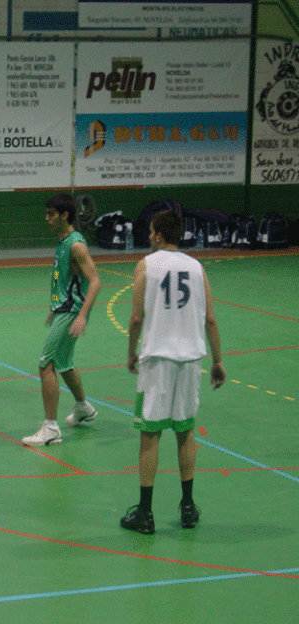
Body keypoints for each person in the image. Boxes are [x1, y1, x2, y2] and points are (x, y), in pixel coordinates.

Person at [121, 210, 225, 535]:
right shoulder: (197, 267)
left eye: (152, 231)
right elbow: (210, 318)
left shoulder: (146, 265)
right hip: (191, 359)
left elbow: (136, 317)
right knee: (185, 432)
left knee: (150, 435)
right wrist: (218, 360)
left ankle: (146, 514)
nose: (149, 235)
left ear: (158, 235)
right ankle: (189, 508)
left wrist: (131, 352)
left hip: (158, 359)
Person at [22, 193, 101, 447]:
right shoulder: (63, 242)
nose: (46, 219)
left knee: (46, 365)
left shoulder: (76, 245)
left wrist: (81, 316)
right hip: (63, 309)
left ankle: (51, 428)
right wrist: (54, 307)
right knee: (64, 364)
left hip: (71, 313)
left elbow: (95, 281)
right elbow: (68, 281)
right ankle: (83, 407)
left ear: (64, 215)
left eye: (51, 215)